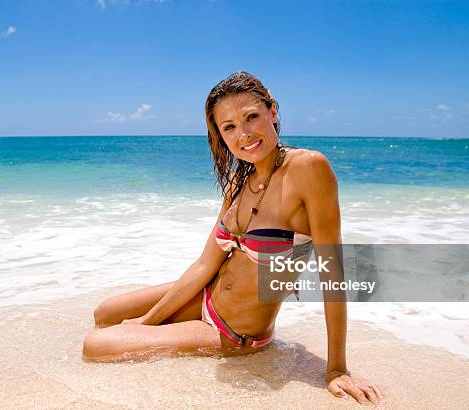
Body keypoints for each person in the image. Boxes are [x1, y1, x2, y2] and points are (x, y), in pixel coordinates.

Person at [83, 71, 382, 404]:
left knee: (95, 346)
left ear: (272, 111)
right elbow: (205, 264)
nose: (244, 134)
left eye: (251, 117)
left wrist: (336, 369)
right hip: (207, 296)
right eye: (229, 127)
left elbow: (332, 271)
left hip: (232, 330)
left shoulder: (308, 169)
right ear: (220, 135)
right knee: (105, 314)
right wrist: (147, 321)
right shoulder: (239, 181)